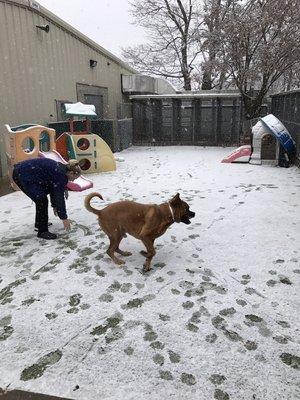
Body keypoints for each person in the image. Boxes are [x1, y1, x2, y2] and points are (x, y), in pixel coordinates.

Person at [12, 158, 81, 240]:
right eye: (74, 178)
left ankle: (39, 224)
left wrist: (55, 206)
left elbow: (53, 189)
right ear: (71, 173)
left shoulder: (60, 170)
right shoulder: (60, 175)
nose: (73, 180)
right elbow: (59, 197)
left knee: (41, 198)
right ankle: (42, 231)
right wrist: (64, 218)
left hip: (22, 172)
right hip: (23, 174)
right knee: (41, 199)